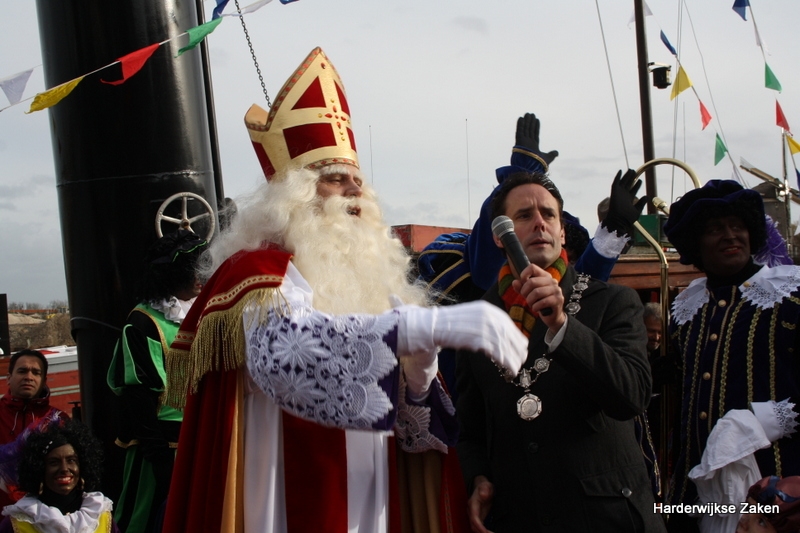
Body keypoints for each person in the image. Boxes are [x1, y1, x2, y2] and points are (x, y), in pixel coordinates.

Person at [161, 47, 527, 533]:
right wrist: (427, 325)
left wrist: (419, 369)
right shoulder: (257, 274)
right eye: (336, 179)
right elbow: (288, 357)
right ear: (292, 195)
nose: (357, 192)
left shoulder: (376, 285)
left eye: (358, 180)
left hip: (373, 497)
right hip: (282, 495)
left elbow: (412, 427)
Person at [456, 171, 665, 532]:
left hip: (606, 517)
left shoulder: (613, 302)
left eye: (549, 215)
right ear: (499, 236)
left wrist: (563, 327)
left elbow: (630, 396)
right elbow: (469, 426)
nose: (539, 223)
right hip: (519, 517)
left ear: (562, 231)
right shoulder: (476, 320)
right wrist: (477, 476)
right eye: (523, 216)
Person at [662, 180, 800, 532]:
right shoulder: (685, 309)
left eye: (737, 226)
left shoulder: (789, 294)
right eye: (715, 229)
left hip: (774, 492)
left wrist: (762, 421)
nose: (730, 235)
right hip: (695, 495)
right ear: (696, 243)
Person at [106, 229, 208, 533]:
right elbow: (139, 398)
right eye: (196, 268)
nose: (203, 274)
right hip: (161, 450)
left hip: (199, 442)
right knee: (148, 520)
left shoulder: (202, 314)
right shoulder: (144, 322)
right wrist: (161, 460)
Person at [0, 418, 120, 533]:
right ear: (40, 469)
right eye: (54, 462)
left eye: (71, 460)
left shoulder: (101, 515)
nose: (64, 469)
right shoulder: (18, 521)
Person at [0, 350, 66, 508]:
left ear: (43, 380)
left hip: (44, 514)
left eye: (36, 372)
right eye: (22, 371)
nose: (28, 377)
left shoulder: (58, 419)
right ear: (9, 378)